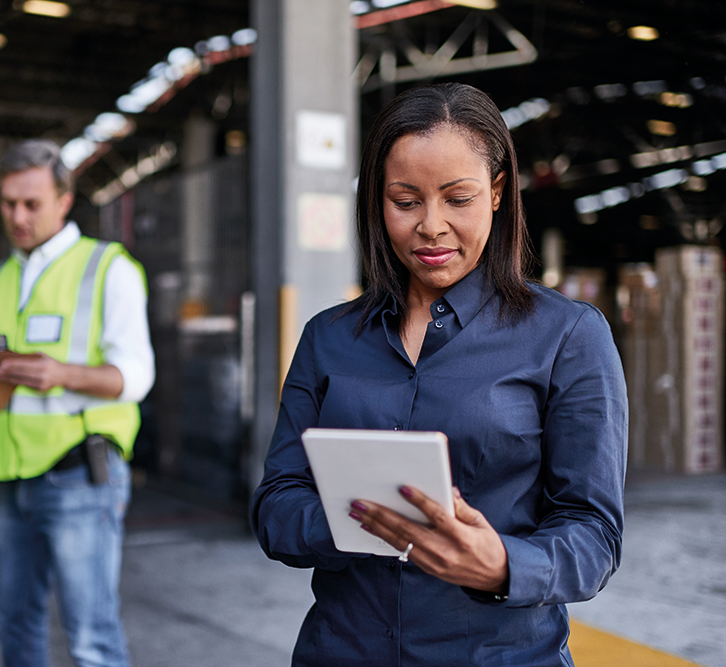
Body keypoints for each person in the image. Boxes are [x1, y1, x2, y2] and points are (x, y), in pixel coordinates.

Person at [250, 82, 627, 666]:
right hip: (342, 652)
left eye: (458, 198)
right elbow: (277, 505)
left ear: (497, 193)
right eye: (405, 201)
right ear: (377, 201)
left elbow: (594, 534)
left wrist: (500, 564)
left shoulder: (567, 336)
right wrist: (364, 519)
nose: (431, 226)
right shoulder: (329, 338)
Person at [0, 139, 155, 667]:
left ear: (65, 201)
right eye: (7, 204)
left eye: (31, 204)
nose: (17, 216)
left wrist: (60, 374)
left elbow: (136, 376)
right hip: (14, 477)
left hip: (80, 475)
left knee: (91, 636)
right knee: (13, 622)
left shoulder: (107, 268)